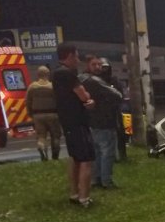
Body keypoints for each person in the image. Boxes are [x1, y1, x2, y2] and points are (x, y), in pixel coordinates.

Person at [52, 43, 96, 208]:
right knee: (86, 159)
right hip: (78, 121)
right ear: (69, 56)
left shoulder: (56, 73)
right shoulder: (68, 74)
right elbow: (84, 95)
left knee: (75, 158)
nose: (78, 60)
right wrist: (89, 100)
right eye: (76, 56)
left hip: (67, 121)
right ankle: (84, 197)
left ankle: (74, 193)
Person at [79, 55, 122, 190]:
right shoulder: (95, 81)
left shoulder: (81, 79)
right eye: (94, 65)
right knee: (107, 152)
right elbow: (117, 95)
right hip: (104, 121)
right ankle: (106, 181)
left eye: (99, 65)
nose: (98, 67)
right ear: (88, 65)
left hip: (90, 121)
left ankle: (96, 179)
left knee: (97, 152)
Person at [25, 65, 61, 161]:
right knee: (55, 136)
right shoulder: (53, 86)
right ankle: (55, 156)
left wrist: (30, 113)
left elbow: (28, 101)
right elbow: (59, 100)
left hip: (38, 115)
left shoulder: (32, 87)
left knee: (41, 136)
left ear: (38, 74)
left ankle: (41, 147)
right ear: (48, 74)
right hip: (53, 114)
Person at [99, 58, 127, 161]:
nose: (104, 70)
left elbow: (120, 95)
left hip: (114, 110)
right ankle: (110, 156)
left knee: (120, 133)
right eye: (103, 68)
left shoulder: (114, 80)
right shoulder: (97, 81)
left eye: (106, 67)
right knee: (105, 136)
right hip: (101, 112)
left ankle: (122, 155)